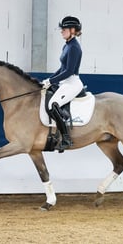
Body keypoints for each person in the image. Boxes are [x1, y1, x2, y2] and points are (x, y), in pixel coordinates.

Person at [41, 16, 84, 150]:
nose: (61, 31)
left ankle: (66, 138)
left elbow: (69, 71)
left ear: (72, 30)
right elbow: (62, 69)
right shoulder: (66, 45)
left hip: (72, 83)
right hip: (65, 82)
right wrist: (49, 80)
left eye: (64, 29)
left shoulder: (74, 47)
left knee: (53, 104)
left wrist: (52, 80)